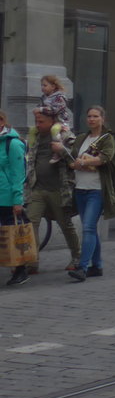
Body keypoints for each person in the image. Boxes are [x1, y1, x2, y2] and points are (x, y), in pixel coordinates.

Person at [11, 108, 81, 280]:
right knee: (30, 223)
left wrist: (61, 149)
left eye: (41, 121)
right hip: (38, 189)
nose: (38, 124)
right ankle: (31, 263)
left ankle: (77, 257)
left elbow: (76, 159)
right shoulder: (35, 137)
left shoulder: (64, 135)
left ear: (52, 121)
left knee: (65, 224)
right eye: (36, 121)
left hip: (59, 189)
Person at [67, 105, 115, 282]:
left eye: (95, 116)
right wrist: (83, 163)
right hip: (80, 189)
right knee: (90, 229)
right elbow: (73, 160)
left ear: (102, 119)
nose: (91, 119)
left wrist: (84, 163)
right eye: (89, 116)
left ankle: (82, 268)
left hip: (97, 190)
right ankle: (96, 265)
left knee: (89, 228)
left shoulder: (107, 138)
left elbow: (104, 159)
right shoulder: (82, 138)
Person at [1, 110, 29, 287]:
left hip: (6, 197)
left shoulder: (12, 143)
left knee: (14, 236)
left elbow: (18, 173)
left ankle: (21, 269)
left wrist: (17, 200)